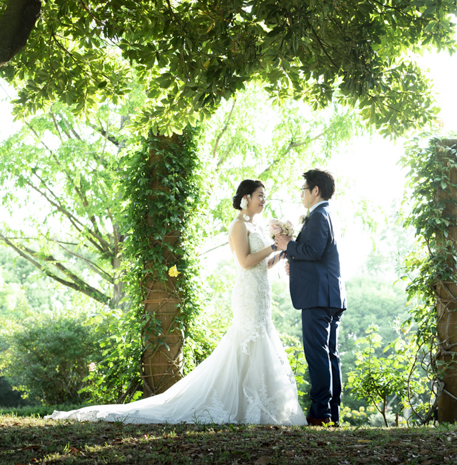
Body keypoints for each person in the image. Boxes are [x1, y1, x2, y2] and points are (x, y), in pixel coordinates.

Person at [46, 179, 306, 426]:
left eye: (264, 196)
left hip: (261, 293)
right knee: (246, 340)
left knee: (259, 341)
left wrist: (281, 254)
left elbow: (262, 265)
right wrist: (273, 247)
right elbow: (245, 262)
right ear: (246, 198)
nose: (264, 200)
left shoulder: (257, 227)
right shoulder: (238, 225)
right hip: (247, 295)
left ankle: (257, 405)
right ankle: (239, 405)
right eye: (260, 195)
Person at [274, 169, 346, 426]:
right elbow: (320, 255)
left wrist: (288, 246)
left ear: (316, 190)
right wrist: (295, 261)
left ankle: (320, 412)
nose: (302, 194)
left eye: (304, 189)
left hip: (318, 297)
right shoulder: (329, 214)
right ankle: (331, 413)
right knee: (330, 355)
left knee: (317, 355)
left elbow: (313, 250)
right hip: (331, 295)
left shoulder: (318, 215)